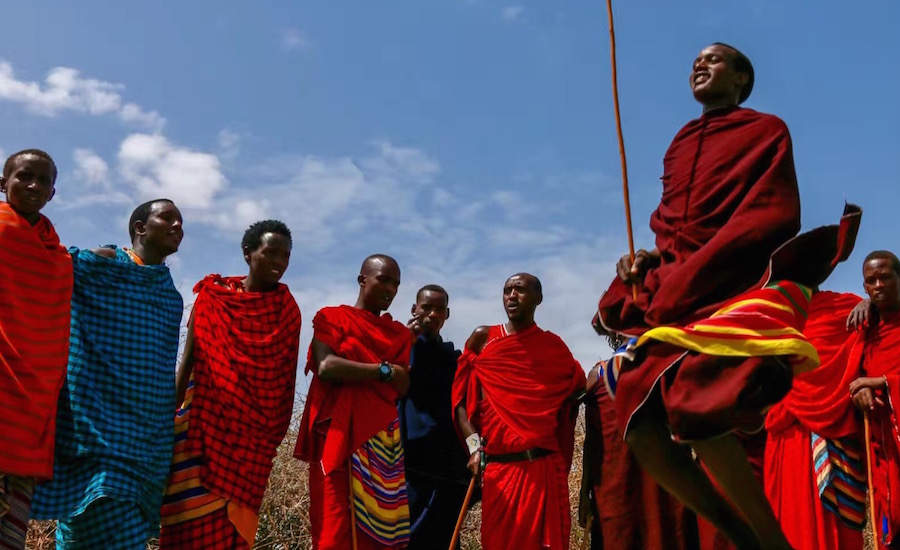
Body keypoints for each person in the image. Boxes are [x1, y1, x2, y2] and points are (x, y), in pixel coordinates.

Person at [592, 42, 860, 549]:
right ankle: (747, 537)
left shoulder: (765, 130)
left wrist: (697, 271)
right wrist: (647, 263)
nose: (699, 64)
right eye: (695, 60)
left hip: (729, 288)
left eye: (714, 59)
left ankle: (768, 540)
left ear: (741, 80)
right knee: (638, 419)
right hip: (676, 287)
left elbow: (773, 212)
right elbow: (672, 226)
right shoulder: (679, 142)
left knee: (698, 408)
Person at [31, 199, 185, 550]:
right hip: (96, 430)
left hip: (147, 442)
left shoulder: (170, 297)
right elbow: (45, 263)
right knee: (90, 514)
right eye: (168, 217)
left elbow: (159, 369)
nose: (178, 226)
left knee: (127, 531)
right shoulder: (101, 264)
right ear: (140, 228)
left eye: (180, 221)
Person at [158, 220, 302, 549]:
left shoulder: (287, 311)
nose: (279, 262)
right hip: (201, 432)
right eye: (271, 253)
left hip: (252, 445)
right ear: (248, 254)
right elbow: (188, 363)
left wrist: (270, 441)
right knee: (186, 528)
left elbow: (283, 384)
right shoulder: (214, 298)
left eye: (286, 255)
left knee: (231, 534)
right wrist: (168, 418)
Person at [454, 273, 585, 550]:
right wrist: (474, 448)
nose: (512, 296)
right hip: (499, 470)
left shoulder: (553, 347)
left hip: (543, 469)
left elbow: (577, 388)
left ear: (538, 298)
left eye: (520, 290)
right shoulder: (483, 339)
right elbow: (462, 405)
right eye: (507, 290)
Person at [294, 254, 413, 550]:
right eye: (383, 279)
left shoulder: (398, 334)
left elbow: (404, 383)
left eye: (396, 284)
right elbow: (326, 366)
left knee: (379, 530)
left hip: (380, 440)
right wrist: (382, 369)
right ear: (362, 279)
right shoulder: (332, 317)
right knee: (333, 527)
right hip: (338, 435)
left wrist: (362, 369)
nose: (390, 289)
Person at [0, 150, 73, 550]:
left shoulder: (57, 256)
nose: (33, 186)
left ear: (52, 193)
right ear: (2, 183)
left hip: (31, 409)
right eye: (24, 177)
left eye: (42, 181)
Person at [764, 291, 866, 550]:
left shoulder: (847, 307)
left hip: (833, 434)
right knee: (793, 523)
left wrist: (873, 306)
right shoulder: (771, 312)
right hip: (789, 435)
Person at [580, 340, 699, 550]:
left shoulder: (673, 367)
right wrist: (584, 494)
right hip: (616, 494)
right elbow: (592, 442)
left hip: (667, 494)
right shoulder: (599, 374)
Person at [398, 285, 471, 550]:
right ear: (414, 310)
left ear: (447, 314)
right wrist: (405, 341)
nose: (431, 314)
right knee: (407, 538)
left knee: (447, 540)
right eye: (426, 307)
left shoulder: (455, 359)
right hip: (411, 464)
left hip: (450, 468)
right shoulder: (399, 347)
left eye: (439, 309)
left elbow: (465, 408)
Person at [846, 251, 900, 548]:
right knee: (889, 519)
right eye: (871, 281)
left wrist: (880, 382)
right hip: (882, 444)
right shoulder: (866, 326)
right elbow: (853, 372)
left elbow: (875, 376)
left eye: (885, 277)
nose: (878, 285)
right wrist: (861, 390)